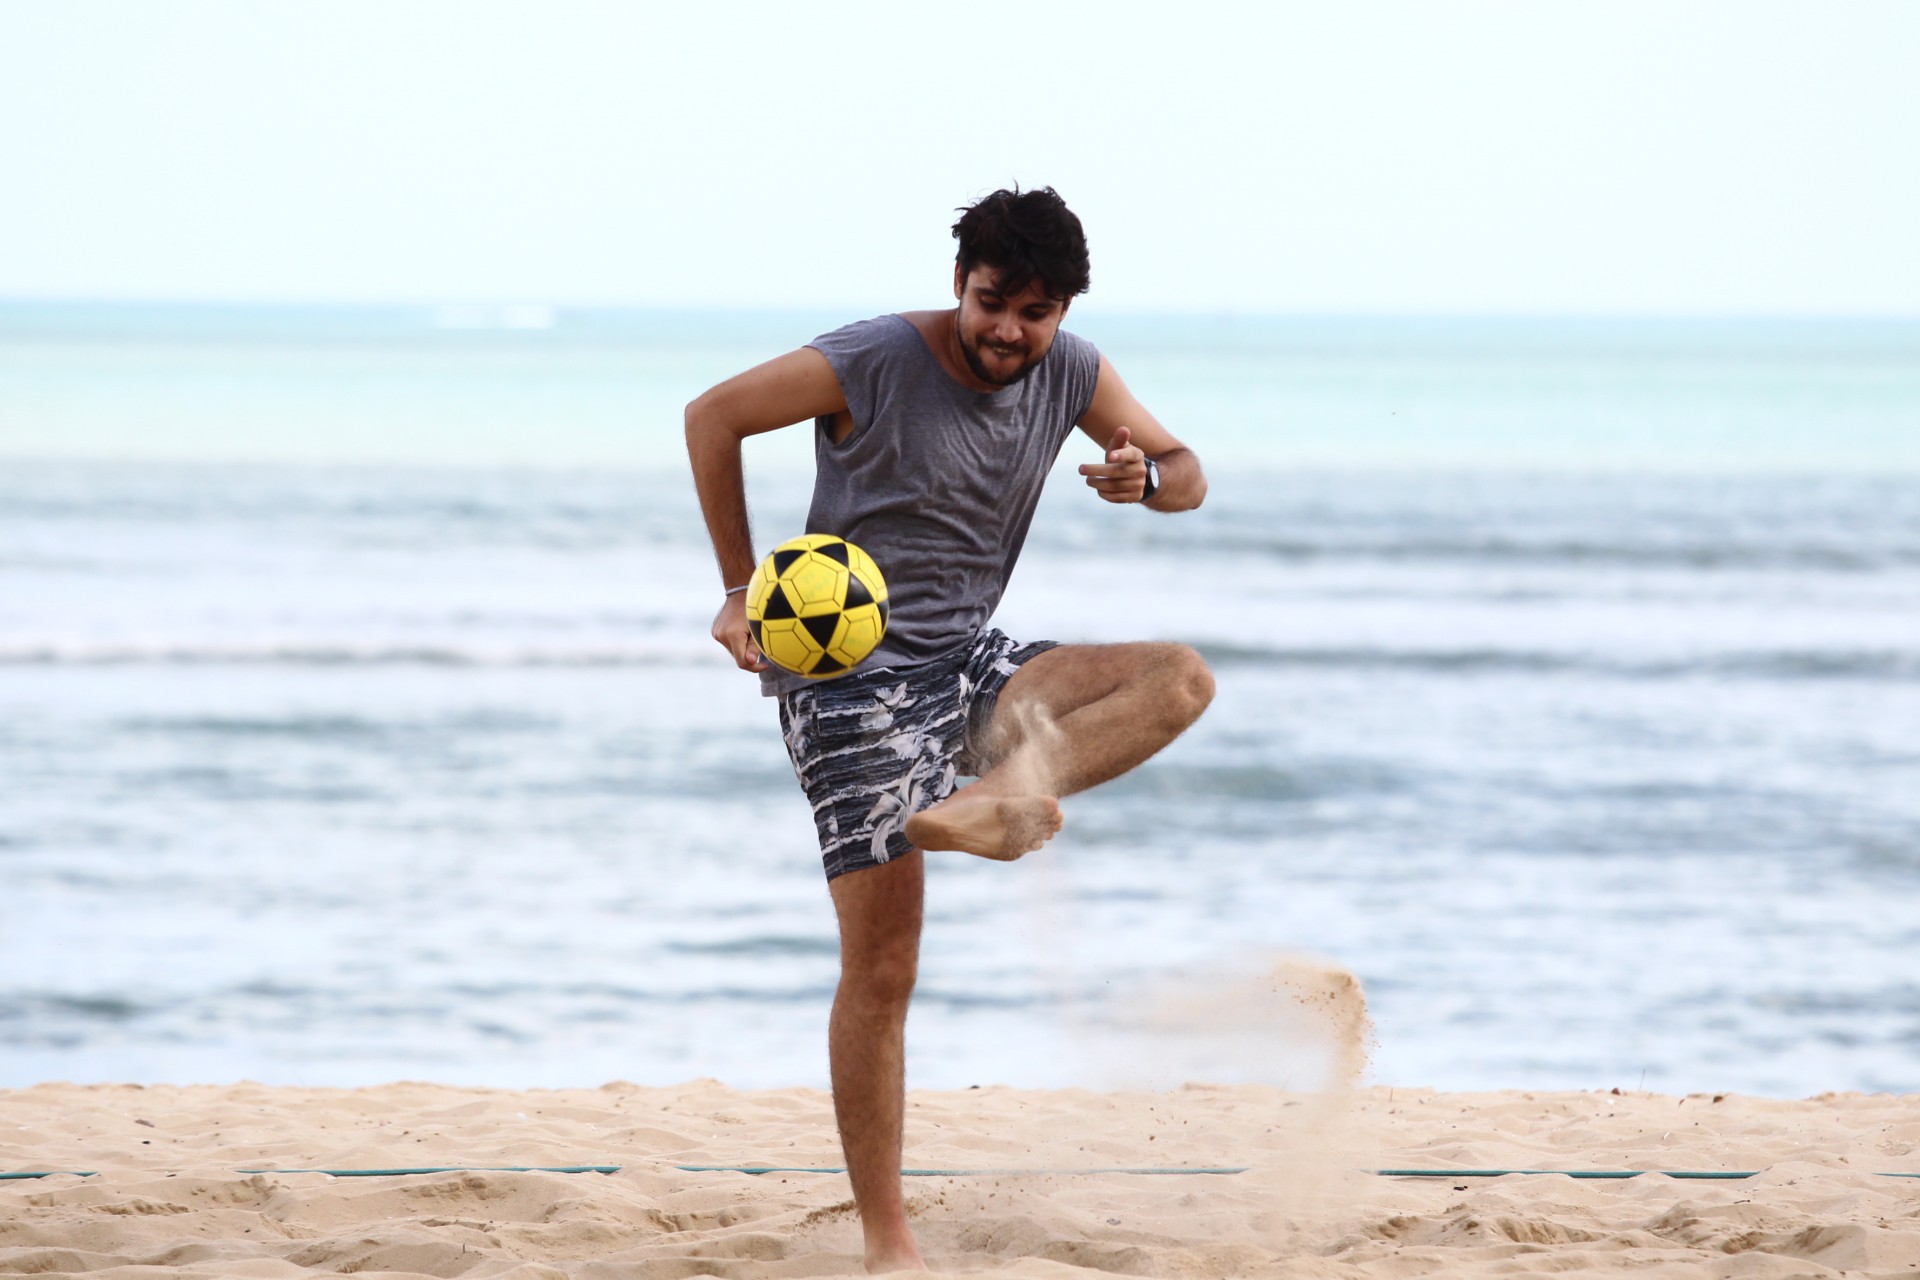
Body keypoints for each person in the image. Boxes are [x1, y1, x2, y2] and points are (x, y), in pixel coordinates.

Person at [683, 186, 1214, 1273]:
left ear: (1061, 310)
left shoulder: (1072, 370)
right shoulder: (873, 357)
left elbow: (1189, 475)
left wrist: (1143, 477)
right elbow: (713, 413)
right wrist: (739, 587)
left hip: (971, 658)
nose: (1009, 331)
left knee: (1180, 679)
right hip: (846, 683)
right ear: (958, 285)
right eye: (990, 303)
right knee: (882, 968)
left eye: (1036, 311)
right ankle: (889, 1242)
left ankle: (998, 795)